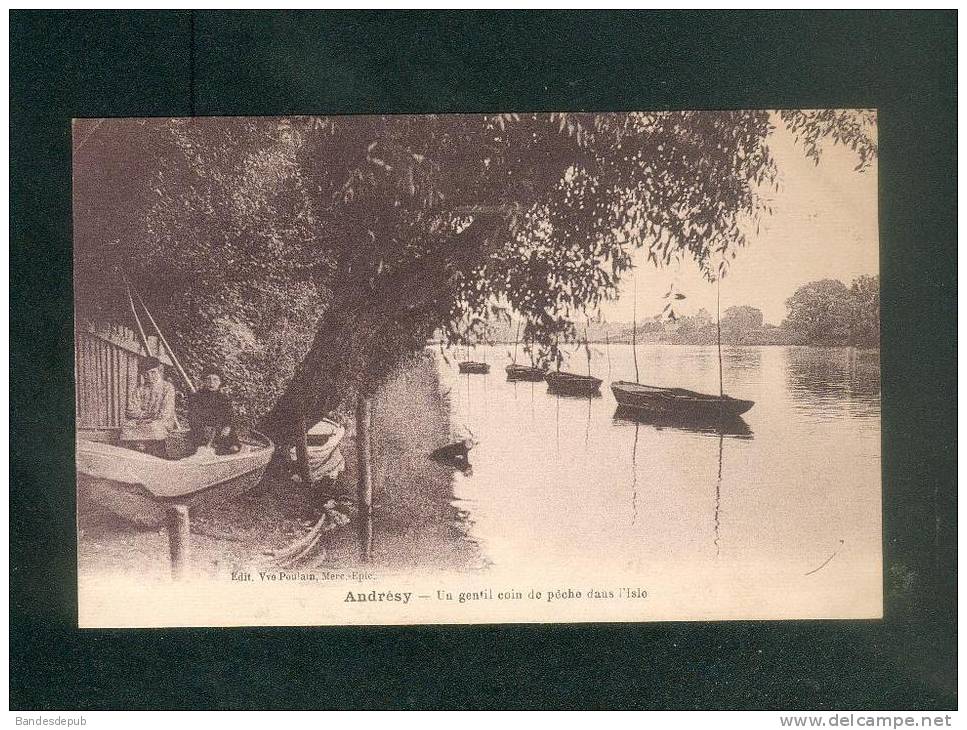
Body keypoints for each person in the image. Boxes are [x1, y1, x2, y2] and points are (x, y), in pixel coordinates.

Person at [120, 356, 177, 457]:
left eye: (153, 372)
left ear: (159, 371)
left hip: (161, 422)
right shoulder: (140, 389)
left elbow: (166, 412)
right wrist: (144, 415)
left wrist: (149, 418)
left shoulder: (167, 387)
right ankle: (134, 455)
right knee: (127, 427)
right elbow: (130, 410)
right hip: (142, 420)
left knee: (154, 427)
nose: (149, 376)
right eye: (146, 374)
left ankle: (158, 455)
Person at [187, 366, 241, 455]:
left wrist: (227, 427)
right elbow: (192, 417)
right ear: (204, 381)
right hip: (201, 432)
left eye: (215, 380)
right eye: (208, 379)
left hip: (220, 432)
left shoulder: (224, 399)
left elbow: (230, 417)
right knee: (198, 450)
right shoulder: (196, 397)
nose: (211, 383)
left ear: (220, 382)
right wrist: (203, 428)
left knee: (233, 449)